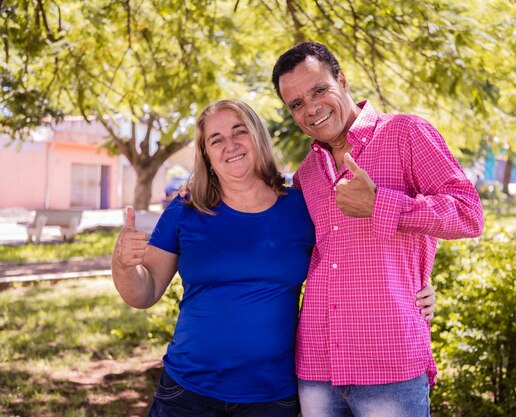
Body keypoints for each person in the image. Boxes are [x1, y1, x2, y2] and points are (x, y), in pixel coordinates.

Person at [111, 99, 437, 416]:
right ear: (206, 155)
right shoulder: (185, 211)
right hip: (187, 393)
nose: (230, 144)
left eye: (240, 131)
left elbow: (349, 253)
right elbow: (145, 291)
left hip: (272, 399)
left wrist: (418, 285)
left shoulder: (300, 204)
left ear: (258, 136)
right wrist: (124, 264)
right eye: (216, 139)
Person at [272, 42, 484, 417]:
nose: (312, 109)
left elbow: (469, 214)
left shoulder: (406, 134)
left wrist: (380, 205)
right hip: (317, 366)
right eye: (297, 104)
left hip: (389, 363)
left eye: (319, 90)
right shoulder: (306, 173)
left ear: (343, 79)